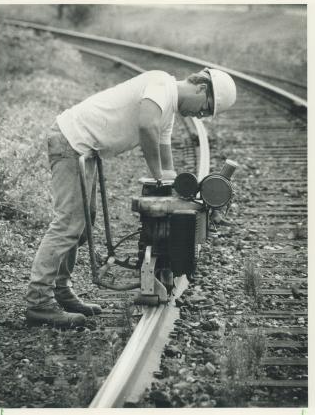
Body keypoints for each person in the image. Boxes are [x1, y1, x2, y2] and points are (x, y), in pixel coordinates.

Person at [26, 68, 236, 328]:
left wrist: (183, 194)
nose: (200, 115)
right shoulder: (162, 84)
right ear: (202, 88)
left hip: (81, 148)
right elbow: (147, 126)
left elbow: (166, 162)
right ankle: (39, 302)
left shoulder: (167, 111)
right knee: (69, 224)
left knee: (81, 226)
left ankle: (61, 290)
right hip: (71, 141)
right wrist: (159, 176)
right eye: (205, 108)